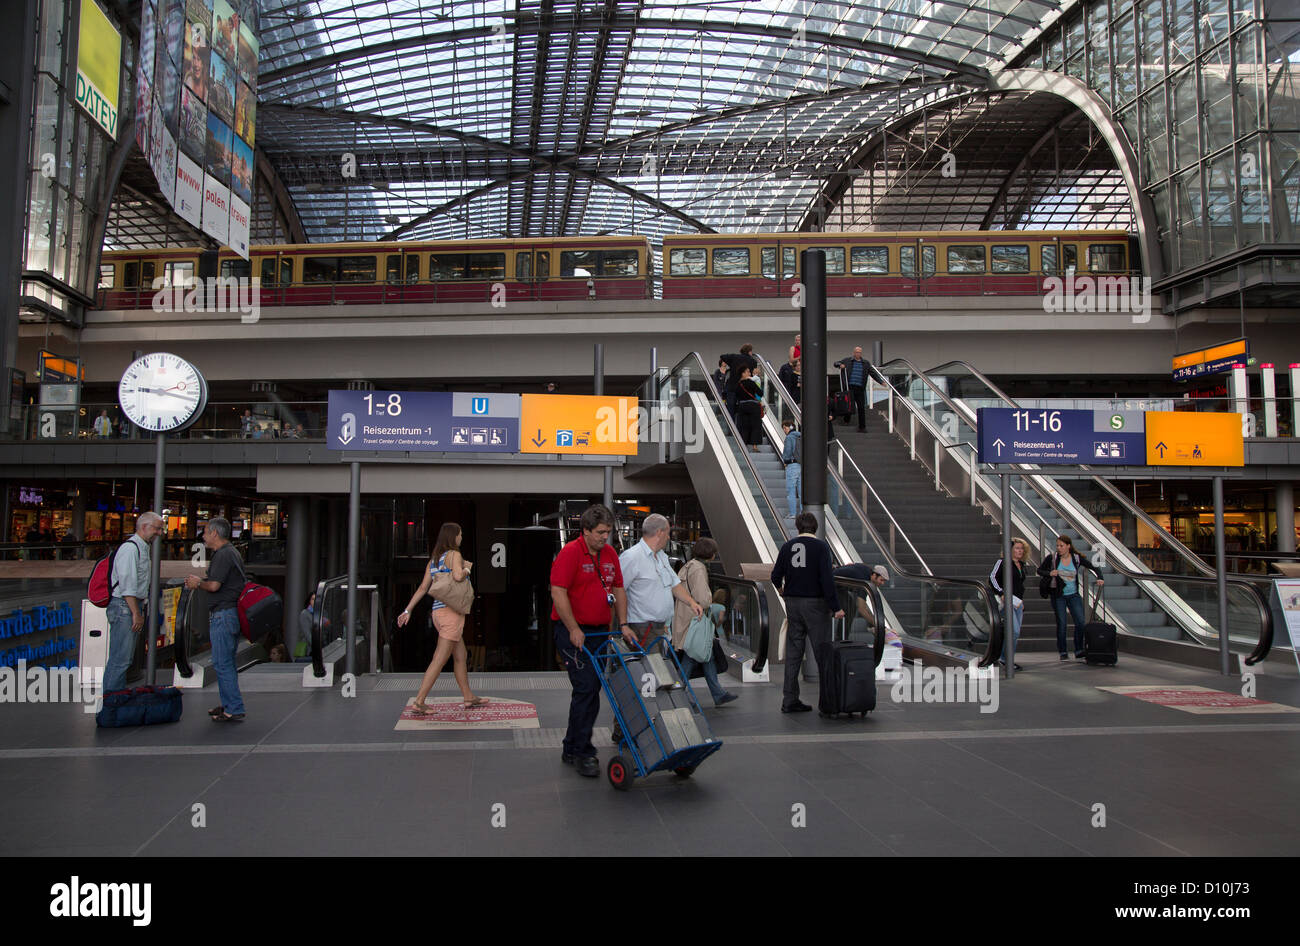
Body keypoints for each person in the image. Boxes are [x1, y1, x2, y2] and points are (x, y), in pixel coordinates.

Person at [550, 504, 638, 778]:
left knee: (591, 689)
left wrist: (623, 624)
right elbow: (558, 592)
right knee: (586, 687)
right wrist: (573, 628)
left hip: (600, 631)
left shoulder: (610, 554)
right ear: (586, 530)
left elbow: (619, 589)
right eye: (600, 532)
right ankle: (583, 752)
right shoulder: (570, 553)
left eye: (607, 532)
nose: (604, 537)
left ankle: (571, 746)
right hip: (573, 631)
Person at [397, 522, 487, 713]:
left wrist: (407, 610)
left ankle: (468, 696)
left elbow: (423, 588)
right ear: (453, 536)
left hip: (438, 613)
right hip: (451, 614)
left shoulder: (434, 560)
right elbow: (458, 577)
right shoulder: (454, 555)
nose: (461, 537)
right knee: (439, 659)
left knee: (461, 656)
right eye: (460, 534)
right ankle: (419, 701)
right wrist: (467, 569)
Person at [770, 512, 844, 713]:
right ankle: (828, 702)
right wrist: (836, 607)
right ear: (816, 527)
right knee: (823, 653)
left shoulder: (787, 547)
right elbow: (827, 580)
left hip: (793, 603)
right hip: (815, 605)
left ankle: (789, 699)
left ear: (798, 527)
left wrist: (782, 590)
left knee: (794, 653)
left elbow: (775, 575)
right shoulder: (821, 547)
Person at [184, 517, 247, 721]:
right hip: (229, 613)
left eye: (205, 532)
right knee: (225, 661)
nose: (203, 537)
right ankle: (229, 703)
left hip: (224, 614)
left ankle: (233, 708)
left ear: (214, 533)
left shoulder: (223, 554)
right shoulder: (232, 552)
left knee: (222, 662)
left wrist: (197, 583)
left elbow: (214, 586)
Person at [619, 514, 703, 648]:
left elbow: (674, 584)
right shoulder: (631, 557)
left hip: (661, 626)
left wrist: (691, 602)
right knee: (652, 661)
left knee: (659, 661)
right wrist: (623, 624)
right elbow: (618, 590)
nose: (669, 537)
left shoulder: (662, 556)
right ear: (659, 533)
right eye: (668, 533)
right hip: (642, 627)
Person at [672, 537, 737, 706]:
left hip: (686, 617)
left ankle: (718, 693)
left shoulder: (689, 565)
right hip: (696, 618)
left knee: (706, 655)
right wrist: (711, 601)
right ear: (710, 553)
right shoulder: (699, 569)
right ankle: (676, 693)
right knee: (692, 655)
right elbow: (703, 598)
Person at [103, 511, 163, 693]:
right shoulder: (130, 549)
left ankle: (114, 697)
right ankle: (111, 700)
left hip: (128, 606)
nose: (159, 533)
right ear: (144, 527)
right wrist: (136, 612)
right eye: (157, 529)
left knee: (124, 658)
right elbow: (127, 584)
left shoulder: (141, 547)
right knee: (120, 659)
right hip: (125, 607)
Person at [1037, 534, 1105, 660]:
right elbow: (1039, 570)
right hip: (1058, 595)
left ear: (1068, 546)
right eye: (1057, 546)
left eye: (1061, 546)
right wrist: (1050, 573)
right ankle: (1063, 652)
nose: (1059, 548)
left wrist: (1100, 577)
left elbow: (1093, 566)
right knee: (1062, 624)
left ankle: (1078, 649)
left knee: (1080, 622)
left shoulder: (1076, 558)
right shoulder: (1052, 558)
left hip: (1073, 594)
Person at [989, 537, 1030, 671]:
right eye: (1017, 548)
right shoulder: (1002, 562)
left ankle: (1006, 658)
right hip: (1006, 601)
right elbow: (992, 578)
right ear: (1010, 549)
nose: (1020, 551)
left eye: (1021, 548)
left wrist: (1021, 602)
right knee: (1014, 630)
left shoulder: (1021, 565)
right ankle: (1005, 659)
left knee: (1015, 633)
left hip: (1018, 603)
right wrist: (1001, 593)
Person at [833, 346, 872, 431]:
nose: (858, 354)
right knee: (849, 404)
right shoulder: (847, 360)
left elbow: (872, 373)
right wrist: (840, 365)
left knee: (861, 407)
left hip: (860, 388)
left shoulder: (866, 363)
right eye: (856, 352)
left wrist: (881, 382)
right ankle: (846, 420)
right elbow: (835, 363)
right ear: (854, 353)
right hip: (849, 387)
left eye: (859, 352)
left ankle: (862, 427)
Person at [734, 364, 763, 452]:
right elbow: (760, 393)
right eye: (748, 372)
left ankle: (744, 446)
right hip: (753, 406)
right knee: (755, 425)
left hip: (742, 406)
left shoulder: (738, 385)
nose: (750, 373)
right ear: (743, 373)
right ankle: (754, 446)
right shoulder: (751, 383)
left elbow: (736, 396)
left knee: (744, 426)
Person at [781, 420, 802, 519]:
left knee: (791, 490)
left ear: (790, 427)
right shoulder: (801, 436)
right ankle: (802, 512)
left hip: (792, 465)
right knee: (801, 491)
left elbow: (788, 451)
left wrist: (785, 461)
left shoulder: (789, 437)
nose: (784, 430)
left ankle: (793, 513)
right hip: (802, 465)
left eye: (785, 428)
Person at [295, 591, 315, 658]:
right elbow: (307, 634)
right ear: (309, 601)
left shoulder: (323, 613)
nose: (315, 601)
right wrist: (317, 646)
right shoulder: (305, 613)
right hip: (308, 649)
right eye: (313, 599)